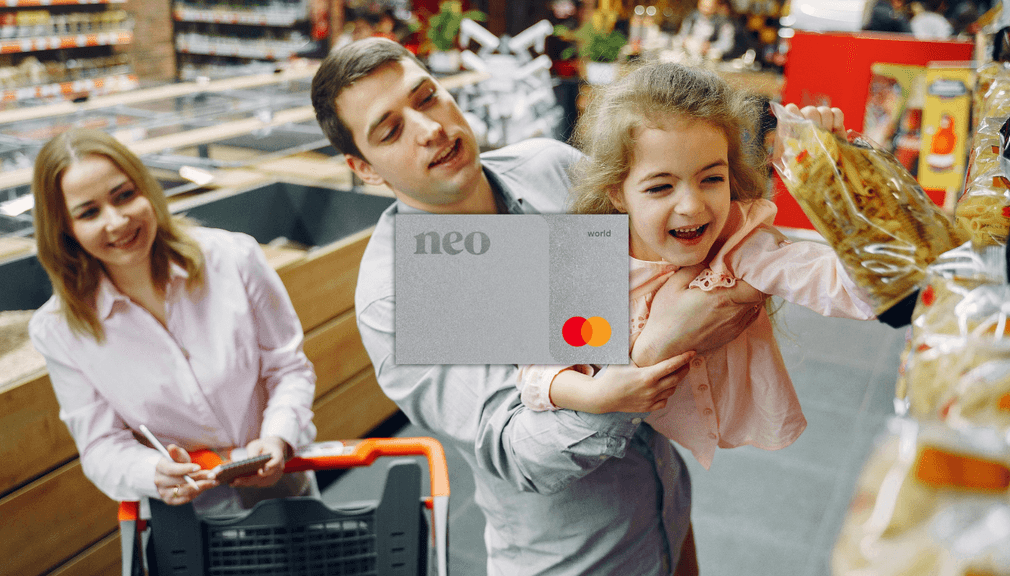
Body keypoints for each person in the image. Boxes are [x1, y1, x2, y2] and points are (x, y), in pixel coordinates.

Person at [310, 37, 764, 575]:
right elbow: (514, 449)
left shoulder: (552, 170)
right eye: (390, 130)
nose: (428, 127)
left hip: (663, 506)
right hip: (575, 557)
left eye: (427, 96)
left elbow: (667, 241)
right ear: (364, 169)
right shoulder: (403, 289)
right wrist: (648, 355)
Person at [517, 62, 878, 471]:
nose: (692, 206)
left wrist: (839, 193)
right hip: (605, 461)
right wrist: (600, 394)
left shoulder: (739, 240)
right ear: (618, 194)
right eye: (660, 187)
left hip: (670, 458)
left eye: (711, 179)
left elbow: (862, 291)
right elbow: (538, 374)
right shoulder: (587, 267)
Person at [28, 129, 318, 514]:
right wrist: (153, 471)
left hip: (284, 489)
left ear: (146, 189)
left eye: (124, 195)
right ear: (64, 227)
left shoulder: (233, 258)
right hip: (184, 520)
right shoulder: (59, 329)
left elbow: (288, 369)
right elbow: (100, 445)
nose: (117, 221)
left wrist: (278, 436)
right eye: (89, 212)